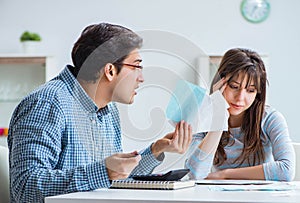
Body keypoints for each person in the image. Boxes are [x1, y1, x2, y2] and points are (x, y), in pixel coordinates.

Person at [8, 23, 192, 202]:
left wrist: (155, 150)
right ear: (110, 70)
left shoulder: (108, 110)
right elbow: (25, 188)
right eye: (137, 67)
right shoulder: (47, 103)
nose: (141, 78)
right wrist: (103, 172)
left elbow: (117, 177)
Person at [185, 48, 295, 181]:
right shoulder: (204, 118)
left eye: (250, 90)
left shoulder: (270, 119)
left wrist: (225, 174)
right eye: (234, 87)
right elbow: (194, 175)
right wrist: (219, 118)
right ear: (220, 84)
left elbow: (286, 170)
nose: (240, 98)